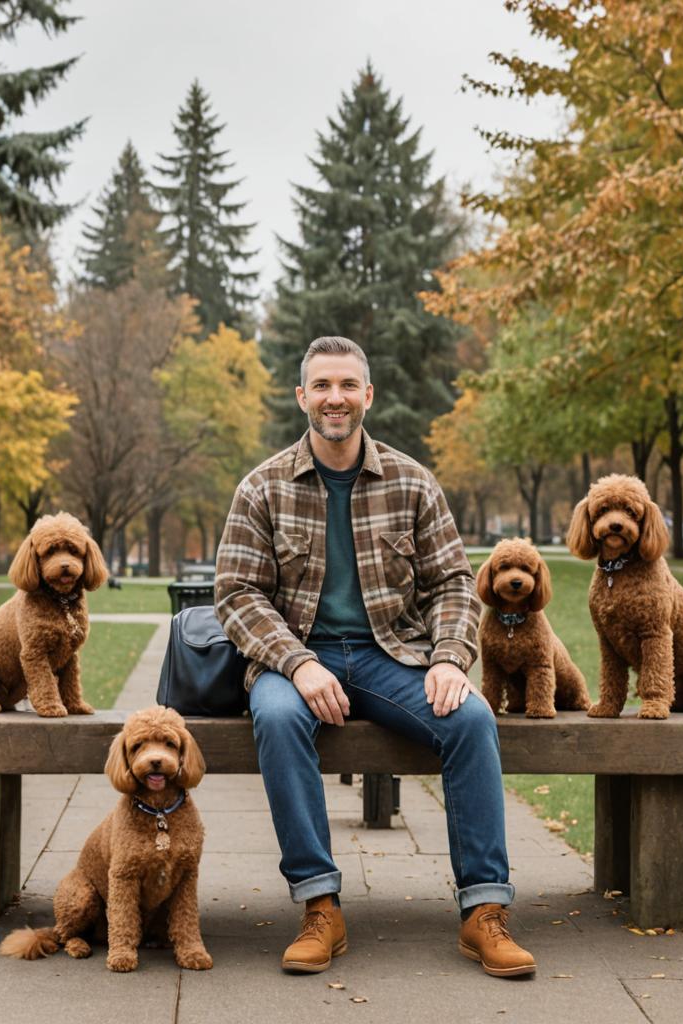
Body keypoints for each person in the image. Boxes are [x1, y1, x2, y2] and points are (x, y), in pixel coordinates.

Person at [214, 336, 535, 978]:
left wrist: (448, 657)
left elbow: (451, 581)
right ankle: (320, 906)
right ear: (303, 396)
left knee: (471, 721)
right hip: (295, 660)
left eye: (348, 386)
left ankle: (484, 912)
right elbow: (236, 592)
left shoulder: (413, 481)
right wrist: (298, 663)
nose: (336, 398)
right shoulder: (262, 487)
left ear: (368, 395)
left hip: (394, 656)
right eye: (323, 386)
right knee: (276, 720)